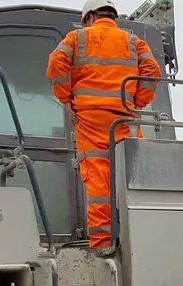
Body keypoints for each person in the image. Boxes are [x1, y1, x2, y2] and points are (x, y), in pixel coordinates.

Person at [47, 0, 162, 248]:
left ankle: (102, 244)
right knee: (130, 180)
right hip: (124, 120)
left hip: (91, 120)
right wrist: (136, 101)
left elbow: (56, 64)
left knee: (100, 183)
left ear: (89, 18)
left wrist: (66, 98)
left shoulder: (76, 39)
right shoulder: (133, 42)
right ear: (113, 17)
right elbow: (152, 71)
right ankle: (139, 241)